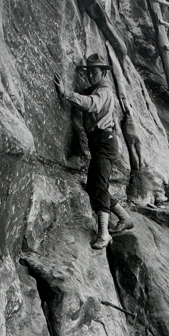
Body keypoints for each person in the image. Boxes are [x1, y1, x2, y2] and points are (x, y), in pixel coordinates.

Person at [54, 53, 135, 249]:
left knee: (98, 186)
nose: (91, 76)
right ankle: (125, 218)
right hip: (100, 141)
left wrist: (67, 93)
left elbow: (92, 104)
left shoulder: (104, 91)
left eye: (95, 72)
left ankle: (104, 234)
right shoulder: (97, 88)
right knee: (95, 186)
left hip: (104, 141)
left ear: (104, 73)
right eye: (89, 72)